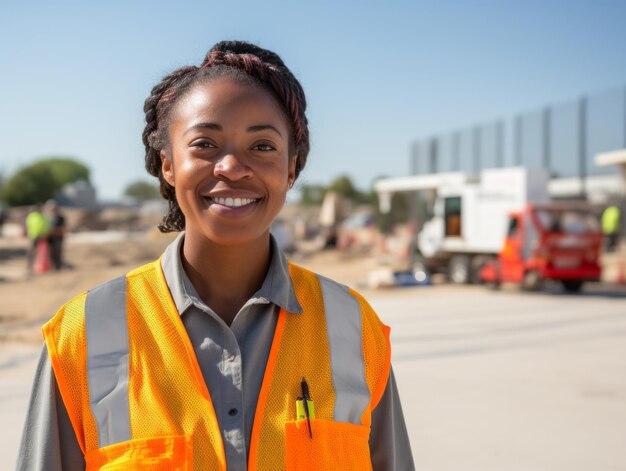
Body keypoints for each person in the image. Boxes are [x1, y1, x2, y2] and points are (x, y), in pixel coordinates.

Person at [17, 41, 414, 470]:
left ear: (291, 168)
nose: (231, 166)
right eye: (204, 144)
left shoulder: (353, 329)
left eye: (262, 146)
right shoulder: (85, 335)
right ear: (168, 165)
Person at [24, 204, 49, 274]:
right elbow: (28, 225)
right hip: (34, 235)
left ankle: (37, 265)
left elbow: (45, 226)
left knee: (39, 252)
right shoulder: (34, 216)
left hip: (39, 236)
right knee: (32, 251)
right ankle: (30, 265)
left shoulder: (41, 216)